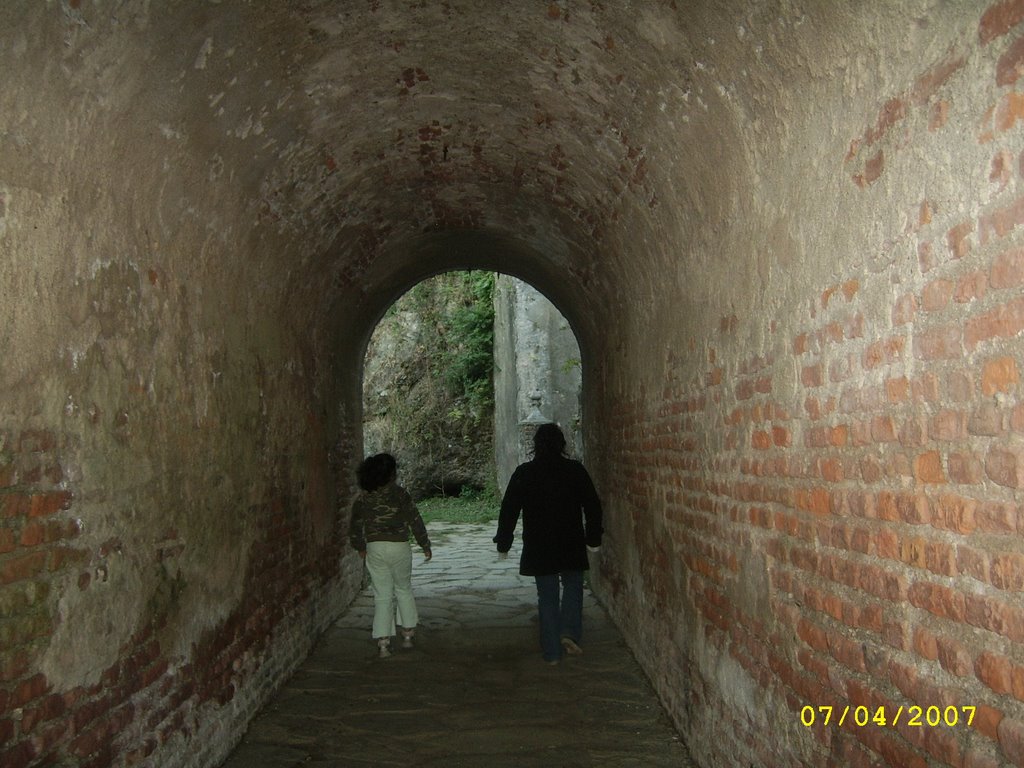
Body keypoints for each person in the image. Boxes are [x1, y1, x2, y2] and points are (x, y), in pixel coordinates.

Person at [493, 423, 603, 664]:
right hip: (570, 542)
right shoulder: (575, 471)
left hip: (540, 545)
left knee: (548, 596)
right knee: (574, 587)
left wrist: (504, 542)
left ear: (536, 446)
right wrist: (593, 538)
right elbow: (592, 505)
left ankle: (552, 652)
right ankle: (570, 633)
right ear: (562, 445)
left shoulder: (525, 473)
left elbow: (509, 510)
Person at [349, 453, 432, 658]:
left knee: (382, 594)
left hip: (375, 548)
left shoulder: (363, 499)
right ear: (391, 474)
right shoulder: (400, 494)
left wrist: (360, 546)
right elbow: (415, 520)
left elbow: (355, 526)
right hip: (400, 547)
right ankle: (407, 634)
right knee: (403, 588)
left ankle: (383, 642)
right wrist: (424, 544)